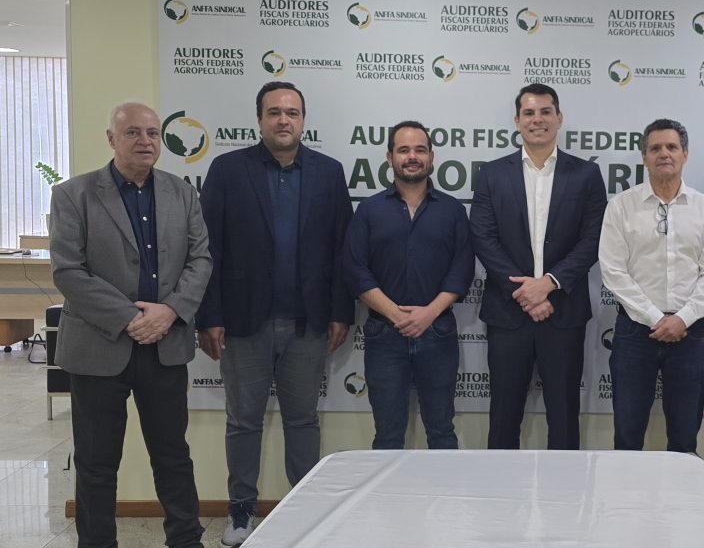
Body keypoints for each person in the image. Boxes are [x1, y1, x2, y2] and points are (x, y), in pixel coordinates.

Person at [196, 81, 354, 548]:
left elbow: (342, 250)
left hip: (308, 323)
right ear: (259, 119)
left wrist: (340, 312)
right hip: (243, 323)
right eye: (274, 112)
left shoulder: (329, 172)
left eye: (292, 112)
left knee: (302, 421)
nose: (284, 120)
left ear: (303, 120)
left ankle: (304, 511)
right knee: (242, 421)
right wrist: (208, 316)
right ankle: (241, 510)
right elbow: (207, 249)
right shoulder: (228, 169)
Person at [49, 102, 211, 548]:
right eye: (133, 133)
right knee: (96, 463)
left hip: (165, 346)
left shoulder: (182, 193)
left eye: (153, 133)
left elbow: (200, 259)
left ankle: (186, 541)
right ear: (111, 138)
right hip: (98, 349)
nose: (145, 141)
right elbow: (68, 271)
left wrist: (170, 311)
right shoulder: (74, 194)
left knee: (173, 457)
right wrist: (130, 318)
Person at [470, 83, 606, 450]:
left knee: (564, 417)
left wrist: (549, 283)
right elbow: (483, 237)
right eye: (529, 113)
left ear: (559, 118)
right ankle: (502, 488)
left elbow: (593, 238)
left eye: (546, 111)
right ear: (517, 121)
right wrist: (524, 292)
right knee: (503, 418)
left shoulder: (586, 174)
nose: (538, 119)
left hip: (564, 312)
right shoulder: (492, 174)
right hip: (508, 314)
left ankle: (565, 489)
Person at [343, 121, 475, 449]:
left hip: (438, 332)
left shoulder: (453, 211)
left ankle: (442, 488)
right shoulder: (369, 210)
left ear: (432, 156)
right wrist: (396, 315)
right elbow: (356, 270)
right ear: (390, 157)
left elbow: (462, 270)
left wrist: (428, 314)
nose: (412, 157)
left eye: (419, 150)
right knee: (388, 435)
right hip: (384, 334)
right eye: (403, 150)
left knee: (442, 431)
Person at [598, 119, 704, 452]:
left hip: (689, 333)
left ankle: (680, 492)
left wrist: (682, 318)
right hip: (634, 333)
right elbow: (613, 271)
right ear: (644, 156)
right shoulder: (620, 206)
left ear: (685, 154)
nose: (664, 154)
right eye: (655, 148)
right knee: (627, 436)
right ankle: (626, 492)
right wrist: (656, 318)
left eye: (672, 147)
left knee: (684, 439)